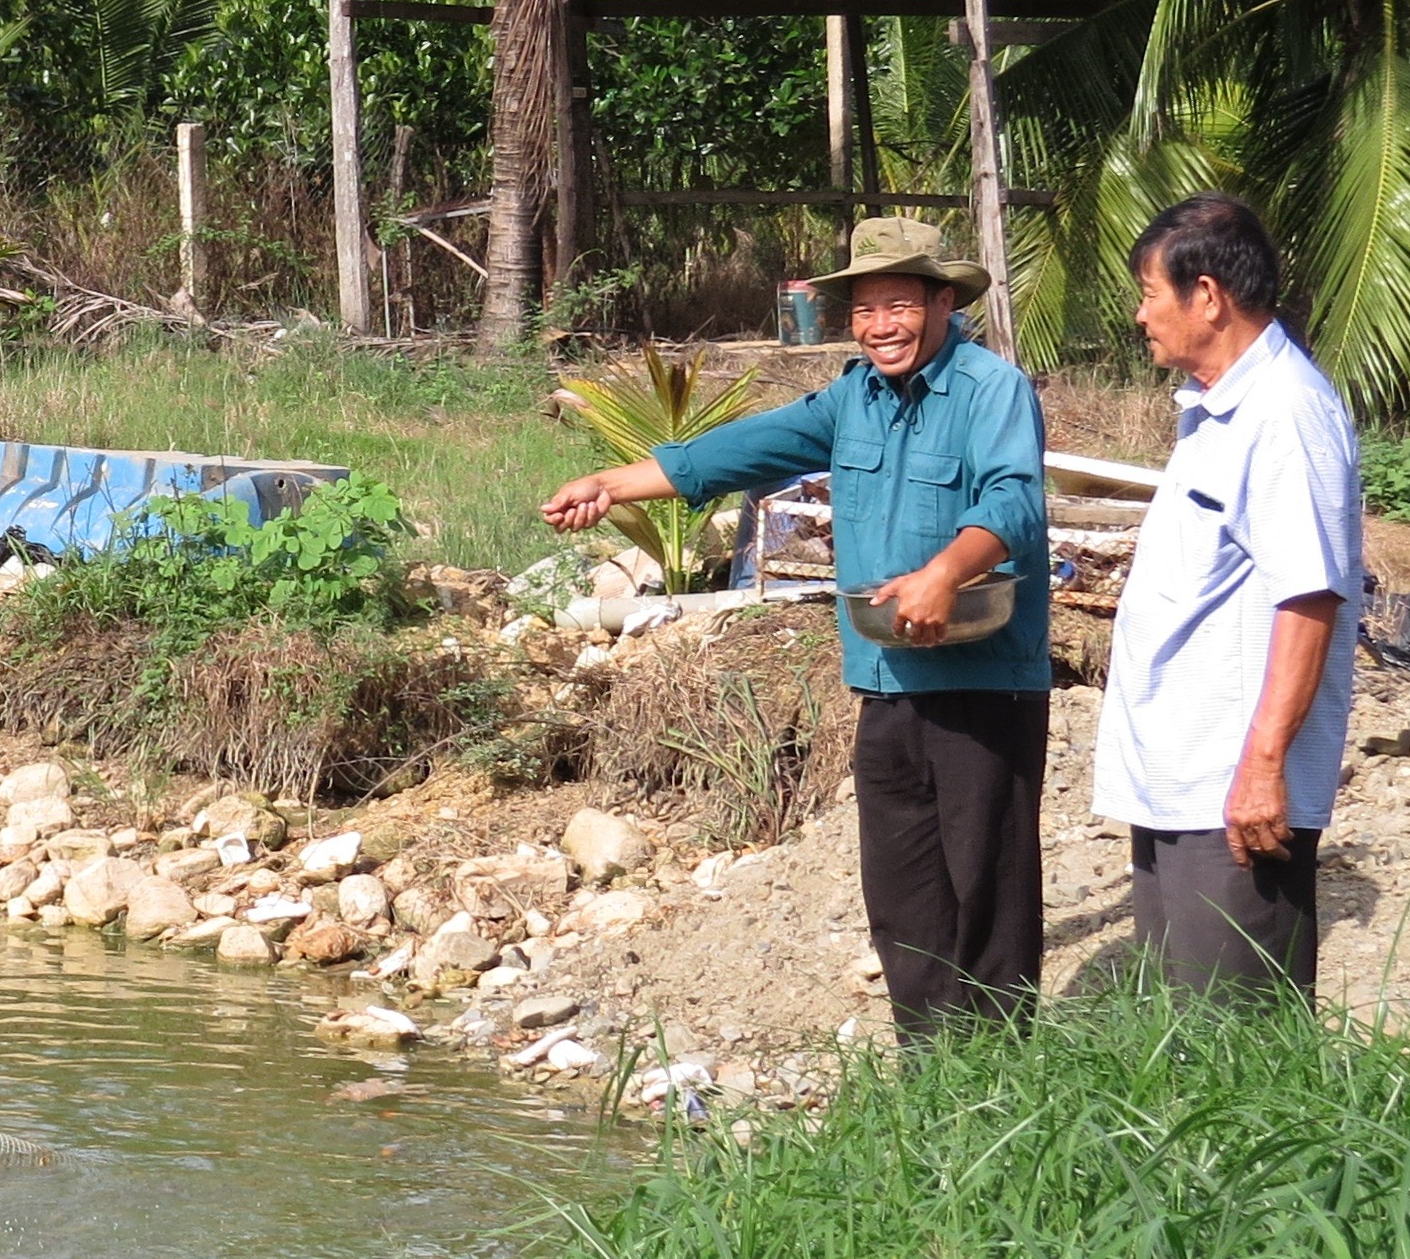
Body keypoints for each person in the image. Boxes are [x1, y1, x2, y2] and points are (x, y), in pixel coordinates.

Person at [540, 217, 1050, 1038]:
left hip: (985, 681)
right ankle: (930, 1068)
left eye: (898, 305)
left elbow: (1014, 503)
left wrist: (944, 574)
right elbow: (733, 453)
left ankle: (1000, 1068)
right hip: (885, 678)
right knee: (903, 889)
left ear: (943, 301)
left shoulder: (992, 390)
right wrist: (610, 481)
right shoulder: (853, 398)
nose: (880, 326)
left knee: (988, 885)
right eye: (864, 309)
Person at [1094, 194, 1362, 1000]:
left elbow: (1310, 598)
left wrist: (1263, 767)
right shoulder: (1217, 411)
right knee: (1183, 1039)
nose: (1140, 315)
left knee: (1240, 1043)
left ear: (1206, 296)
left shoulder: (1286, 414)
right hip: (1181, 776)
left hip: (1231, 790)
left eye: (1148, 293)